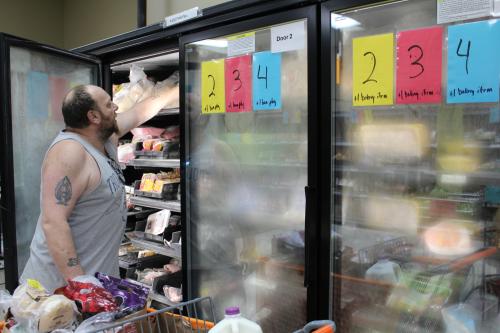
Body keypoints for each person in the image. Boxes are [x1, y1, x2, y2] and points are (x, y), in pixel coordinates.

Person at [20, 84, 176, 292]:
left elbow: (140, 111)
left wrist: (178, 90)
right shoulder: (69, 152)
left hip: (94, 285)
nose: (116, 107)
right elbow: (53, 223)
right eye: (108, 104)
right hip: (58, 293)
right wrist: (81, 286)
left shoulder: (103, 140)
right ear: (94, 116)